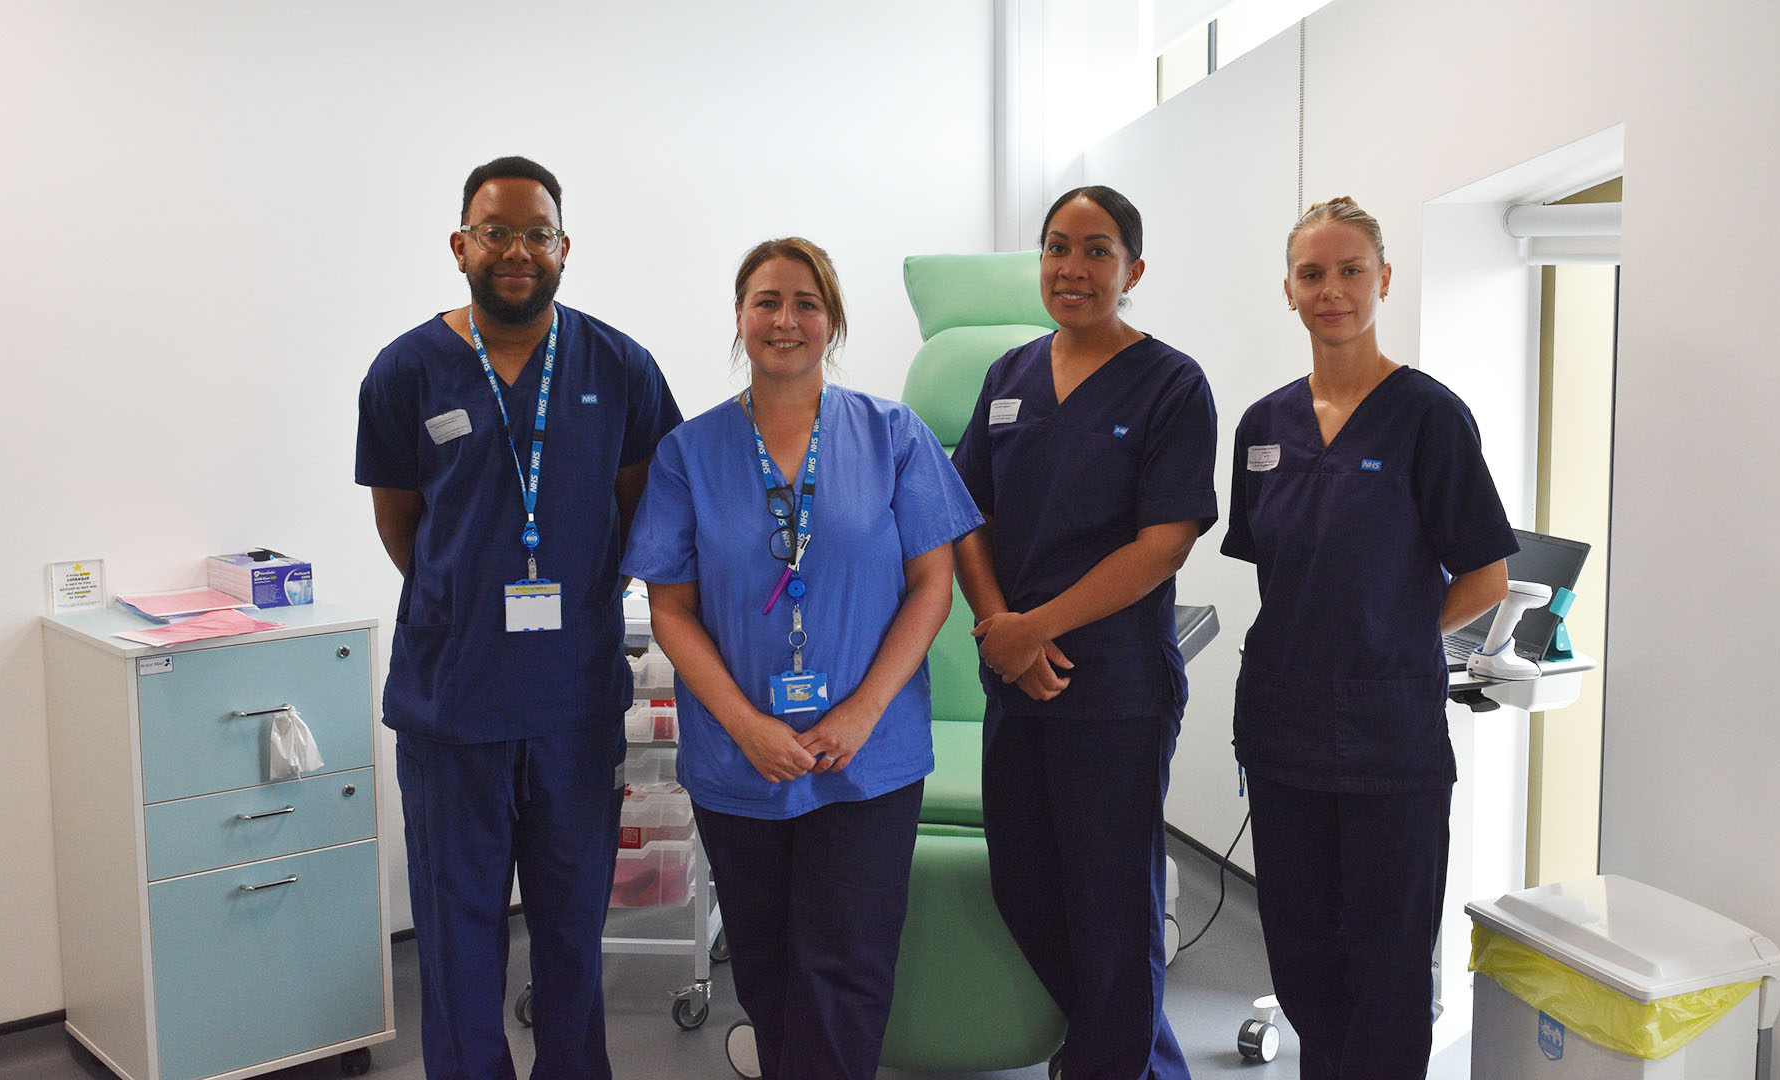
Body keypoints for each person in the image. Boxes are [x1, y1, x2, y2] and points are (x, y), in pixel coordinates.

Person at [355, 155, 682, 1080]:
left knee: (574, 930)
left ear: (564, 247)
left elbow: (637, 509)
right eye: (495, 230)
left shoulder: (618, 366)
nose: (515, 250)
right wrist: (467, 604)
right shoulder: (407, 371)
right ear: (460, 243)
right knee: (457, 940)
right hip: (452, 706)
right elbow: (403, 525)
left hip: (574, 706)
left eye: (536, 233)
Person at [622, 237, 980, 1079]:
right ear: (741, 318)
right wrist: (745, 726)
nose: (786, 320)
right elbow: (670, 608)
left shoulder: (893, 434)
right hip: (741, 758)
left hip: (868, 754)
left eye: (807, 303)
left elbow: (934, 584)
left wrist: (862, 710)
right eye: (767, 302)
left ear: (834, 321)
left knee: (845, 968)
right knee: (767, 966)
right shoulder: (689, 454)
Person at [1222, 196, 1515, 1079]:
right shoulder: (1263, 427)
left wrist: (1388, 638)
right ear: (1288, 290)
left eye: (1351, 271)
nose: (1333, 290)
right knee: (1303, 958)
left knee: (1386, 968)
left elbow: (1485, 577)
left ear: (1384, 280)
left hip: (1390, 739)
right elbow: (1279, 568)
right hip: (1283, 730)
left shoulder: (1430, 417)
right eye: (1313, 273)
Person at [951, 186, 1216, 1080]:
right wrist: (998, 629)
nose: (1073, 267)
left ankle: (1109, 1064)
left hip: (1113, 689)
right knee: (1023, 887)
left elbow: (1165, 540)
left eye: (1097, 250)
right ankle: (1138, 1061)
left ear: (1132, 270)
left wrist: (1037, 628)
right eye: (1057, 247)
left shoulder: (1172, 384)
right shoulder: (1009, 378)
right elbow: (965, 515)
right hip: (1012, 678)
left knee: (1112, 912)